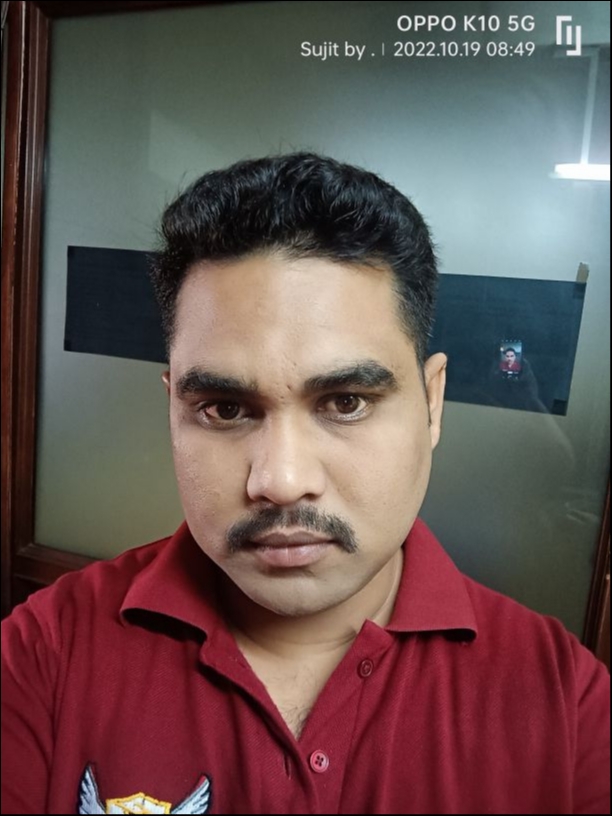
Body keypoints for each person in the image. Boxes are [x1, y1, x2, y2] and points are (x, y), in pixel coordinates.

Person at [1, 153, 609, 816]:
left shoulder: (569, 707)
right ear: (172, 407)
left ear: (432, 404)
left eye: (346, 402)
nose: (282, 481)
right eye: (225, 409)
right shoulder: (43, 655)